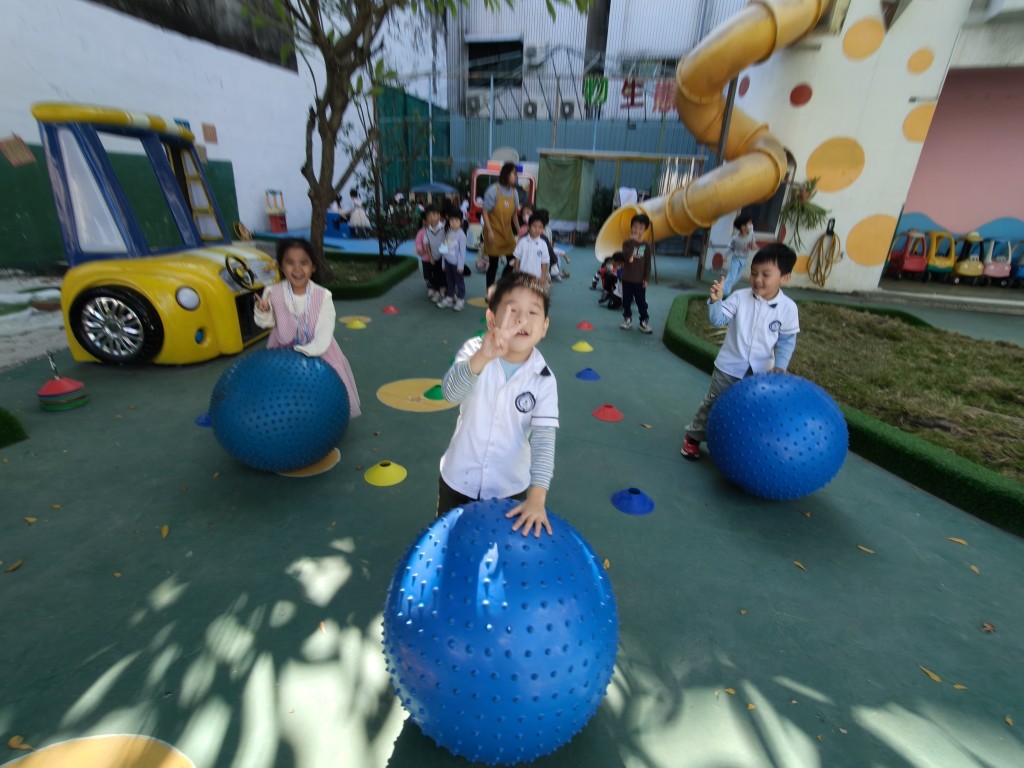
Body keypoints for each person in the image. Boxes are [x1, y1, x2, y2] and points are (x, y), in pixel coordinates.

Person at [437, 273, 558, 537]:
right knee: (451, 544)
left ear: (544, 326)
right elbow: (450, 394)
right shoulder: (474, 350)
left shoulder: (544, 380)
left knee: (500, 551)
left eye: (533, 312)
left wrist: (536, 499)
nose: (522, 320)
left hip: (509, 488)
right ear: (492, 320)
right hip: (458, 480)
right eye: (513, 310)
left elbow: (544, 441)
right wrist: (482, 357)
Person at [680, 243, 799, 460]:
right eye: (753, 273)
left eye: (765, 274)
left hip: (761, 373)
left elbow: (787, 341)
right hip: (728, 368)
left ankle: (734, 445)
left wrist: (780, 366)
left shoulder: (788, 308)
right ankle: (694, 436)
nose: (757, 279)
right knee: (713, 403)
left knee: (750, 411)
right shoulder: (739, 297)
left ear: (785, 278)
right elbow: (717, 320)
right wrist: (715, 301)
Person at [254, 237, 361, 418]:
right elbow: (267, 323)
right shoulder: (273, 292)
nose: (297, 269)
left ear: (313, 267)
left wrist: (306, 352)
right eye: (290, 263)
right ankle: (291, 417)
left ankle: (321, 417)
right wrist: (263, 311)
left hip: (319, 350)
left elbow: (325, 329)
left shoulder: (323, 295)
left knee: (320, 388)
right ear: (281, 266)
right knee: (285, 387)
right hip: (281, 350)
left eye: (303, 263)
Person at [480, 162, 521, 289]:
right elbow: (485, 212)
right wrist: (489, 231)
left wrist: (520, 231)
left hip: (507, 233)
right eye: (513, 173)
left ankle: (501, 284)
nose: (516, 176)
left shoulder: (514, 193)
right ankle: (490, 292)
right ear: (506, 174)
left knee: (513, 260)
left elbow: (514, 215)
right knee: (493, 264)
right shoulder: (493, 190)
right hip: (493, 232)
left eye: (516, 174)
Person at [619, 213, 654, 333]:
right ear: (631, 227)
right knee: (626, 301)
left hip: (639, 280)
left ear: (645, 230)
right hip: (627, 279)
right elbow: (627, 257)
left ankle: (643, 321)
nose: (637, 230)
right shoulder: (626, 243)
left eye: (640, 228)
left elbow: (648, 264)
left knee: (641, 302)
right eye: (635, 227)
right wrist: (632, 242)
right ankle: (627, 319)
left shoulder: (647, 245)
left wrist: (646, 279)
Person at [437, 209, 468, 311]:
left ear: (461, 222)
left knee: (459, 282)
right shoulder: (449, 233)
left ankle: (460, 299)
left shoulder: (461, 235)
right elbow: (444, 249)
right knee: (449, 281)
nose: (454, 223)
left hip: (456, 264)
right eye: (451, 221)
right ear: (448, 222)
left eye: (456, 221)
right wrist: (443, 263)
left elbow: (462, 252)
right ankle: (449, 298)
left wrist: (460, 266)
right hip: (447, 262)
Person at [722, 214, 757, 296]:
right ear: (743, 227)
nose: (751, 224)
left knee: (737, 277)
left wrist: (753, 246)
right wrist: (724, 255)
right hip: (736, 259)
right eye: (749, 223)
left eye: (751, 223)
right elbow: (730, 247)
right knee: (732, 276)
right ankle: (725, 292)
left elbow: (754, 246)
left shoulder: (751, 235)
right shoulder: (735, 238)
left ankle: (724, 287)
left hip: (744, 259)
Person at [511, 212, 550, 283]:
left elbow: (544, 262)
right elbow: (517, 259)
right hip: (522, 275)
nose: (537, 229)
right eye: (534, 226)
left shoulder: (543, 244)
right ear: (528, 227)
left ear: (543, 229)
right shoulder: (522, 242)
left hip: (537, 276)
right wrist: (516, 273)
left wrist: (543, 276)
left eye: (540, 227)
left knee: (533, 290)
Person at [422, 204, 447, 302]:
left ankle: (443, 289)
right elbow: (427, 244)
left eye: (434, 214)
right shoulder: (427, 230)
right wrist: (430, 257)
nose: (431, 217)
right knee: (435, 274)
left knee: (443, 274)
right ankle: (436, 291)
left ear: (439, 215)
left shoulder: (444, 228)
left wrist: (444, 256)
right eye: (429, 215)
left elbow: (447, 241)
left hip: (444, 256)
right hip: (433, 257)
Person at [413, 211, 432, 299]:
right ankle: (430, 288)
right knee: (427, 274)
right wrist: (419, 249)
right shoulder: (421, 232)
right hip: (425, 257)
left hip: (436, 257)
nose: (430, 220)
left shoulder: (438, 230)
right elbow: (418, 242)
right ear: (424, 221)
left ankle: (439, 287)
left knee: (437, 273)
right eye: (427, 219)